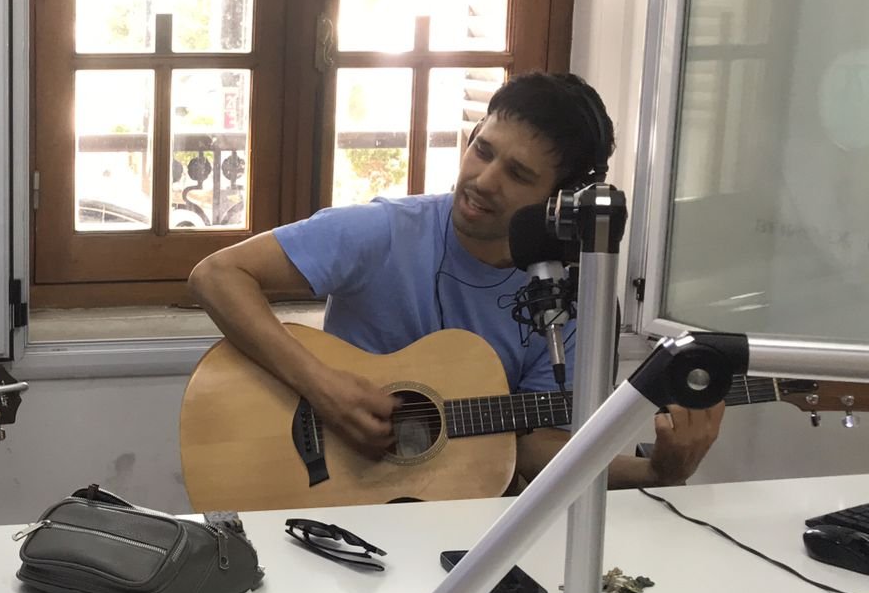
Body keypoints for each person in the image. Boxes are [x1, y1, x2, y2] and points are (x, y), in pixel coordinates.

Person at [189, 72, 724, 490]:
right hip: (338, 496)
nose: (483, 181)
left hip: (460, 518)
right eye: (482, 150)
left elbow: (535, 448)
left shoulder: (568, 299)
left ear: (559, 202)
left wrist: (657, 473)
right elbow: (216, 273)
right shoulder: (386, 232)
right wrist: (322, 386)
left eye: (518, 174)